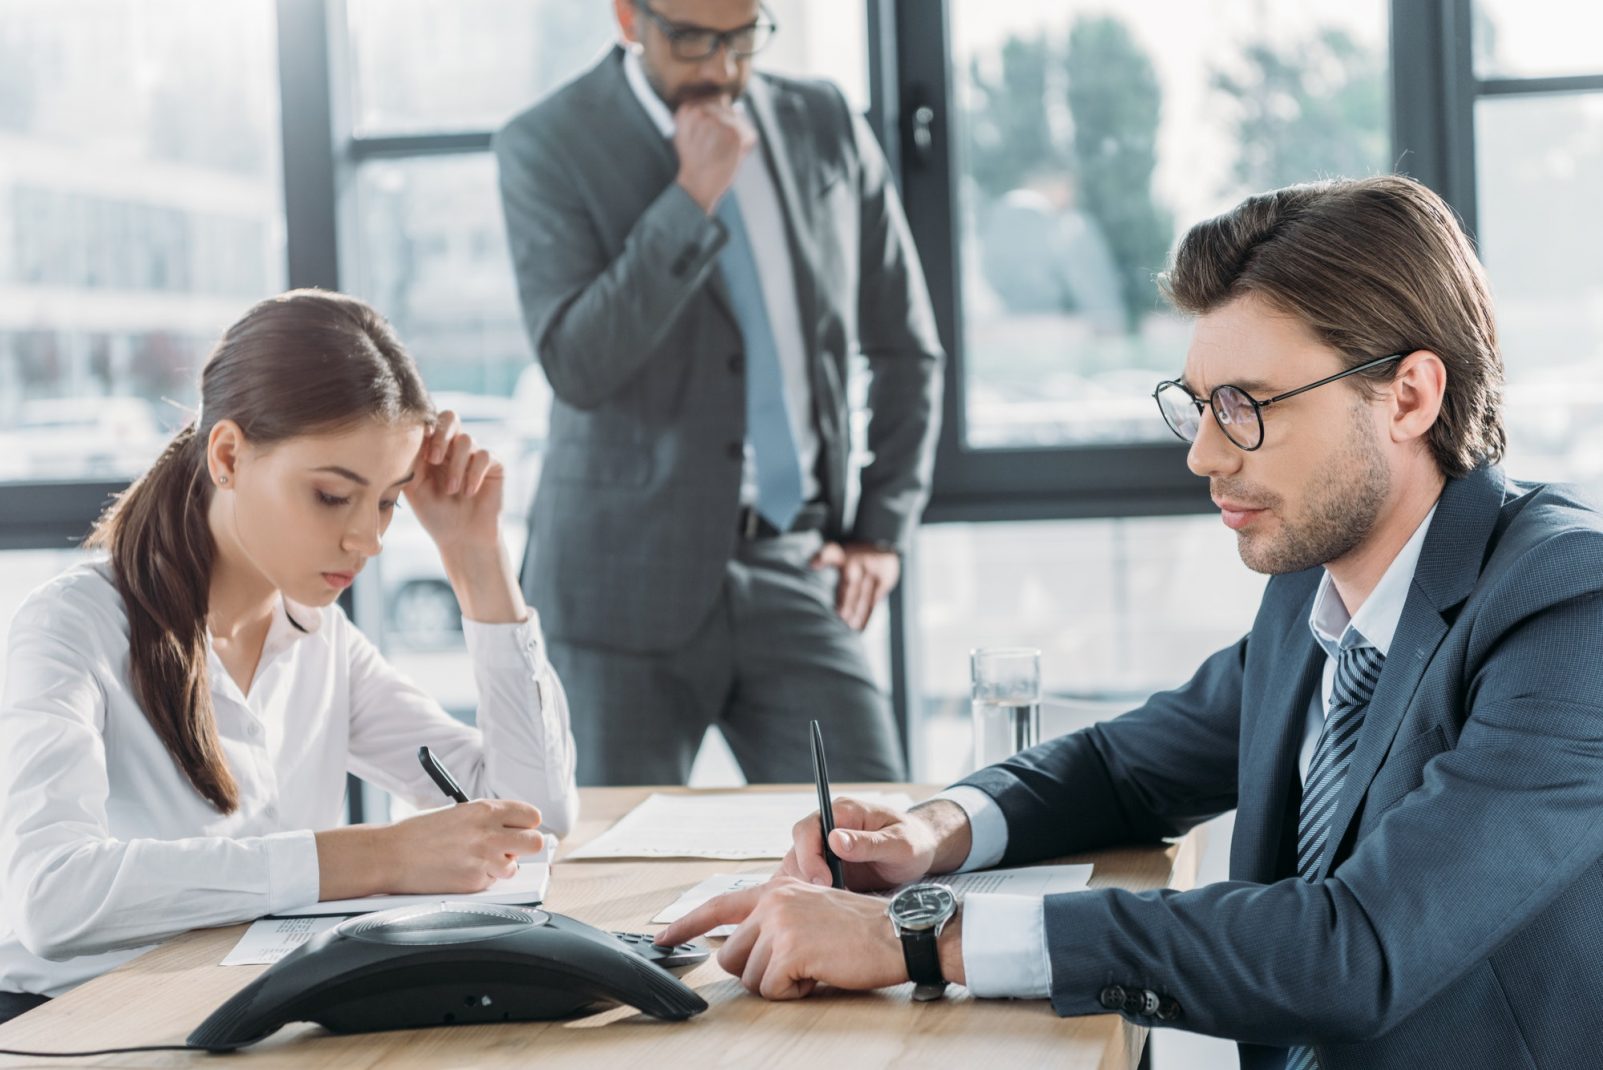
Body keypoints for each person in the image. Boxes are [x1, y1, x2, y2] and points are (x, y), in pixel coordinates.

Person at [658, 175, 1603, 1069]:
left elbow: (1355, 948)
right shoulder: (1316, 585)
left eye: (1244, 407)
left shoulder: (1566, 605)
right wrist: (931, 834)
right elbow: (1125, 767)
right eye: (1197, 407)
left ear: (1408, 396)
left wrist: (922, 936)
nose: (1201, 454)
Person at [0, 290, 579, 1023]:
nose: (367, 540)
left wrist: (478, 564)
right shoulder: (71, 625)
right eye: (334, 496)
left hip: (241, 1018)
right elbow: (54, 897)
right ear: (230, 456)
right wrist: (376, 858)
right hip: (70, 1025)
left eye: (388, 502)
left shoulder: (318, 638)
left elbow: (538, 815)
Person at [493, 0, 944, 785]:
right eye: (694, 40)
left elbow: (906, 347)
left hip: (794, 560)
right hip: (615, 585)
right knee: (604, 874)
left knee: (872, 845)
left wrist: (880, 529)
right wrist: (689, 196)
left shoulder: (824, 121)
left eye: (741, 38)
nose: (722, 69)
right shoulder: (547, 142)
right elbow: (578, 363)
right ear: (630, 19)